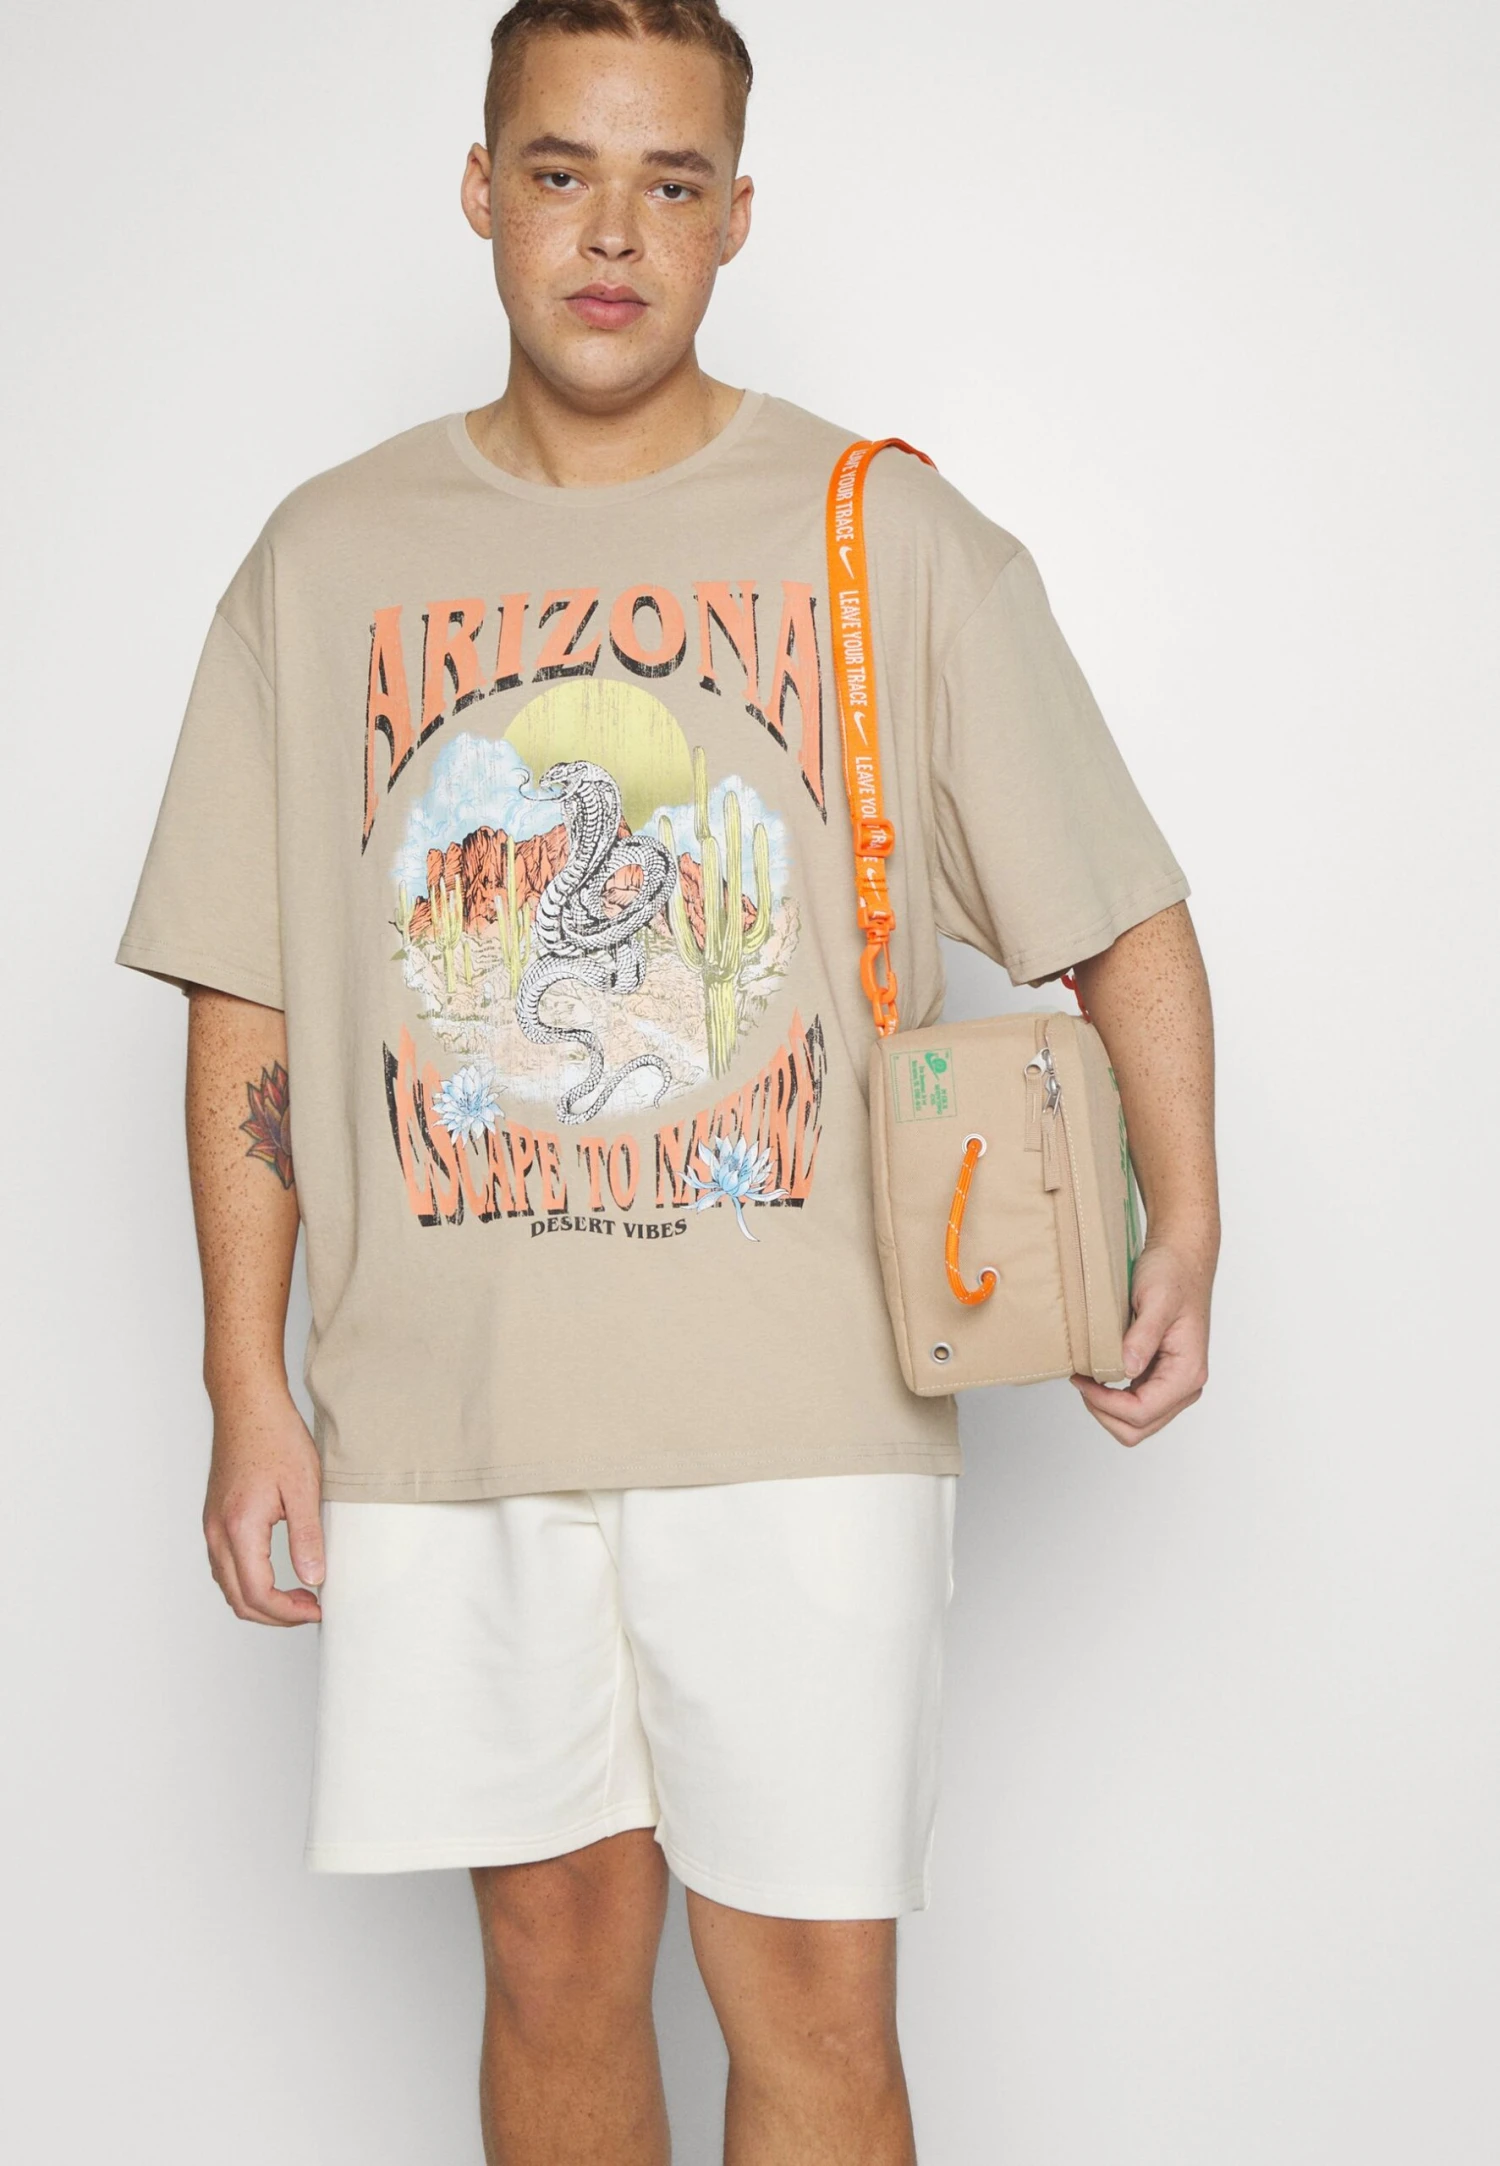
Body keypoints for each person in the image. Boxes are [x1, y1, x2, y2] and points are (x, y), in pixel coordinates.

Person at [113, 3, 1220, 2159]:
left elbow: (1119, 903)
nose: (611, 233)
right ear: (482, 190)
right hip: (452, 1414)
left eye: (669, 182)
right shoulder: (326, 557)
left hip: (800, 1406)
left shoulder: (878, 529)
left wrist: (1187, 1218)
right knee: (547, 1966)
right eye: (560, 172)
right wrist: (248, 1381)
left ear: (734, 217)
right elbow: (244, 994)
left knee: (809, 1995)